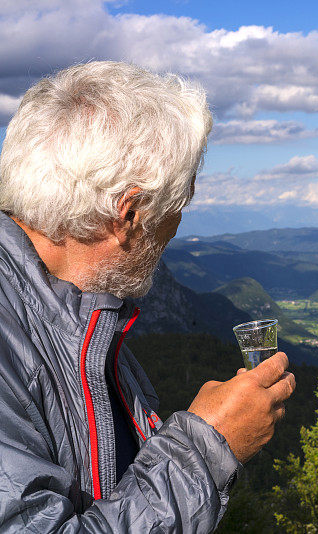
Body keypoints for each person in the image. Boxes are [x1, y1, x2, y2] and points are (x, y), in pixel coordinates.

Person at [0, 61, 295, 531]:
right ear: (130, 214)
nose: (176, 228)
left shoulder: (82, 316)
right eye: (178, 206)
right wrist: (207, 447)